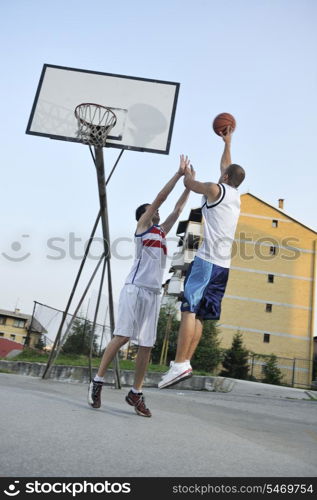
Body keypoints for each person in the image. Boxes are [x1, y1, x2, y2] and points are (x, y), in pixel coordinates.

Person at [88, 155, 194, 416]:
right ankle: (97, 381)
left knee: (146, 345)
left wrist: (189, 185)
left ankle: (135, 393)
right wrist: (178, 174)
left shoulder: (160, 231)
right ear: (145, 215)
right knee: (122, 335)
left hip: (153, 294)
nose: (158, 212)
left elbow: (177, 210)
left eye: (156, 212)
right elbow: (160, 198)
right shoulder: (143, 228)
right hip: (135, 289)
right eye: (153, 210)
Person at [158, 127, 245, 389]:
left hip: (206, 262)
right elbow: (227, 165)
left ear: (225, 177)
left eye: (223, 173)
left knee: (188, 308)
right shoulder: (235, 196)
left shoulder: (213, 188)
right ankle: (185, 363)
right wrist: (227, 142)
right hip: (223, 266)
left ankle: (178, 365)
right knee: (200, 316)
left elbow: (191, 185)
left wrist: (187, 174)